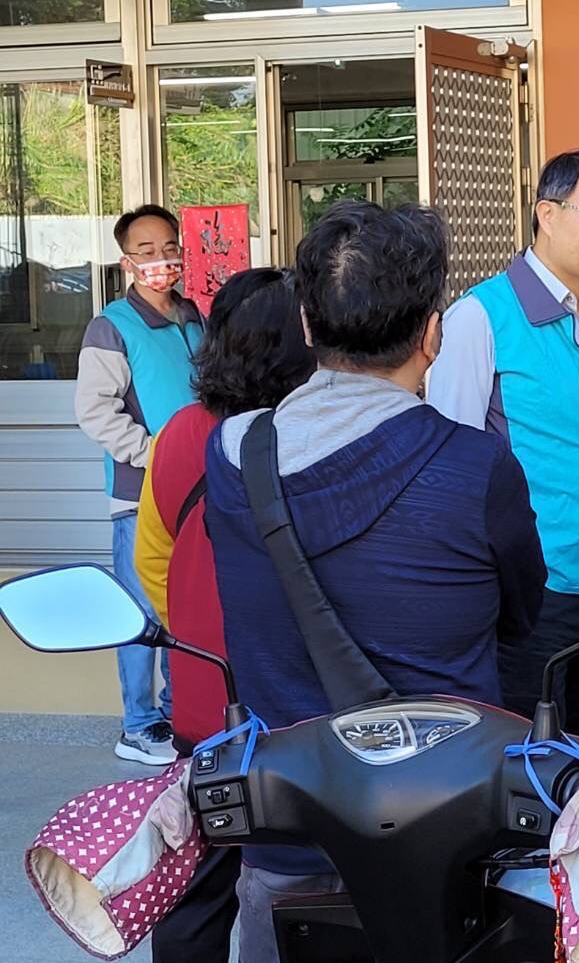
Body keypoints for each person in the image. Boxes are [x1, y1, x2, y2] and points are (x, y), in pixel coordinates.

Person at [205, 201, 546, 963]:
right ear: (432, 333)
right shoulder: (475, 466)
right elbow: (522, 615)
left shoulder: (232, 456)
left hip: (286, 838)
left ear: (306, 321)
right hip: (443, 844)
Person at [427, 149, 579, 767]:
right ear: (548, 214)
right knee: (526, 779)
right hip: (530, 601)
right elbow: (449, 469)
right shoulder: (481, 319)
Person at [133, 267, 315, 963]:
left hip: (204, 707)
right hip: (295, 711)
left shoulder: (178, 433)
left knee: (194, 894)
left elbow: (154, 563)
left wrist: (196, 637)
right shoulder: (310, 437)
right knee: (300, 896)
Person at [75, 205, 204, 765]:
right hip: (140, 494)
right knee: (141, 613)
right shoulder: (112, 326)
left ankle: (177, 713)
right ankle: (139, 723)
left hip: (195, 493)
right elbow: (95, 412)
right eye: (146, 252)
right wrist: (156, 455)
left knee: (183, 607)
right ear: (126, 261)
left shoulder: (194, 318)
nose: (161, 260)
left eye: (169, 248)